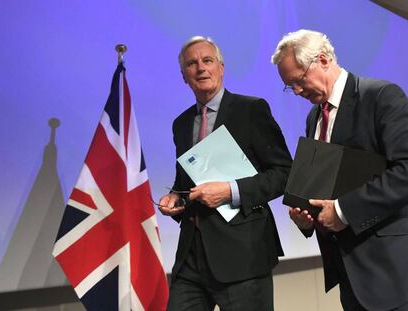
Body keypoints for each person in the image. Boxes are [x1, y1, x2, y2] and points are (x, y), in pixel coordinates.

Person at [271, 29, 408, 311]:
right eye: (289, 86)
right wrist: (308, 217)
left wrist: (344, 210)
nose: (296, 91)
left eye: (298, 80)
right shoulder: (314, 118)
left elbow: (405, 170)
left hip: (390, 271)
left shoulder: (381, 97)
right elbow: (326, 185)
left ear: (322, 59)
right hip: (349, 273)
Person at [158, 36, 292, 311]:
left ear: (221, 67)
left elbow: (283, 173)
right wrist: (175, 198)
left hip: (244, 255)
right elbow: (185, 181)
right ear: (184, 76)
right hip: (191, 258)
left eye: (207, 60)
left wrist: (230, 191)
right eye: (192, 64)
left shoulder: (251, 109)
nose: (200, 68)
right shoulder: (181, 124)